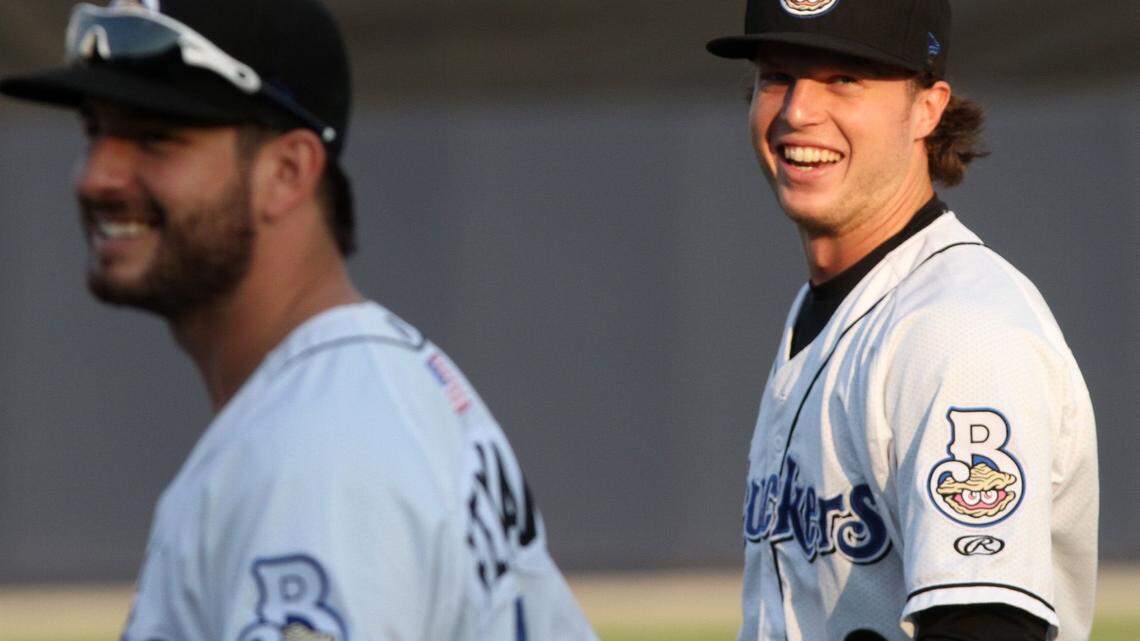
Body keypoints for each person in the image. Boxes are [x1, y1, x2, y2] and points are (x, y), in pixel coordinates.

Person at [0, 1, 598, 639]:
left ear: (288, 172)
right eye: (94, 131)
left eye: (155, 137)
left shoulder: (319, 458)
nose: (98, 176)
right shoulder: (364, 390)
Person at [705, 1, 1098, 640]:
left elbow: (985, 628)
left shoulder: (958, 328)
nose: (798, 111)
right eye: (777, 76)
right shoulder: (831, 305)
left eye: (844, 79)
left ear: (927, 108)